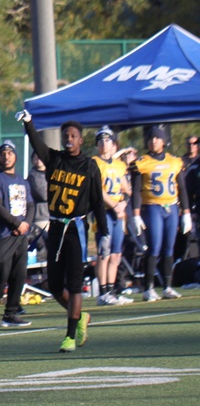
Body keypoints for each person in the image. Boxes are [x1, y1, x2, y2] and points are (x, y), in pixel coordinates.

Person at [18, 110, 107, 352]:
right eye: (65, 135)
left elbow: (98, 201)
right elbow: (37, 142)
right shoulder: (54, 159)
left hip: (76, 228)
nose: (69, 138)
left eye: (73, 135)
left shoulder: (89, 166)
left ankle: (70, 334)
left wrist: (104, 233)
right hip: (56, 226)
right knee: (56, 285)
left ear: (80, 139)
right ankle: (81, 316)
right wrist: (29, 123)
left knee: (75, 283)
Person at [130, 126, 191, 301]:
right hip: (152, 207)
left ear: (163, 141)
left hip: (171, 207)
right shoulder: (142, 162)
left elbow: (181, 187)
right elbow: (135, 191)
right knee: (154, 246)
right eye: (150, 138)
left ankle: (167, 286)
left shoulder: (174, 161)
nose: (153, 141)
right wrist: (135, 214)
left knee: (168, 249)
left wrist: (186, 212)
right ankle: (148, 288)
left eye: (156, 138)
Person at [0, 141, 34, 329]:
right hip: (2, 234)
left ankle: (10, 313)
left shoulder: (21, 180)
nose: (7, 156)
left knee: (19, 274)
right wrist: (16, 223)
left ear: (16, 156)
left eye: (10, 153)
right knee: (1, 274)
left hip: (20, 235)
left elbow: (31, 204)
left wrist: (26, 224)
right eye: (3, 153)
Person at [91, 127, 133, 305]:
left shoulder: (119, 165)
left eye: (107, 140)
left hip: (117, 212)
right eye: (100, 140)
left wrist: (123, 202)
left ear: (114, 143)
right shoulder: (94, 162)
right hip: (104, 212)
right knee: (104, 253)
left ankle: (112, 290)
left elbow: (127, 189)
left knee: (116, 254)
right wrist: (115, 205)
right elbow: (97, 191)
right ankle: (103, 292)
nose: (104, 143)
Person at [27, 151, 49, 260]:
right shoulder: (33, 176)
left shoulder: (51, 172)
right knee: (46, 249)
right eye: (35, 157)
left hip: (54, 216)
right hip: (41, 217)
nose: (38, 159)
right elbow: (44, 194)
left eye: (40, 157)